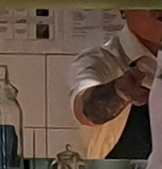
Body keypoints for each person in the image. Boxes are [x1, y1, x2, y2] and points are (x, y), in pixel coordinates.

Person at [68, 10, 162, 160]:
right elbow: (85, 110)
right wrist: (119, 92)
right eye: (148, 1)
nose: (158, 7)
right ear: (123, 10)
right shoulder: (99, 61)